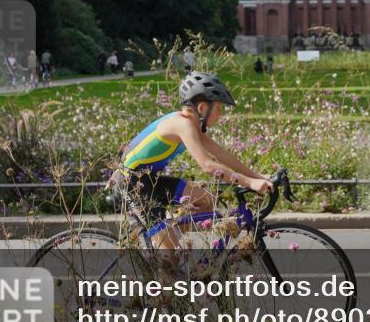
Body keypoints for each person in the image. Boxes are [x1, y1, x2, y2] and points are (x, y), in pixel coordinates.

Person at [116, 71, 272, 249]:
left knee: (206, 200)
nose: (220, 114)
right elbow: (208, 165)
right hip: (130, 183)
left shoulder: (189, 124)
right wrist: (250, 183)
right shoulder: (182, 125)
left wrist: (258, 177)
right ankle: (165, 249)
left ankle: (168, 235)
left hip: (148, 179)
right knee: (169, 256)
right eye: (219, 107)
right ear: (202, 108)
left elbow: (221, 154)